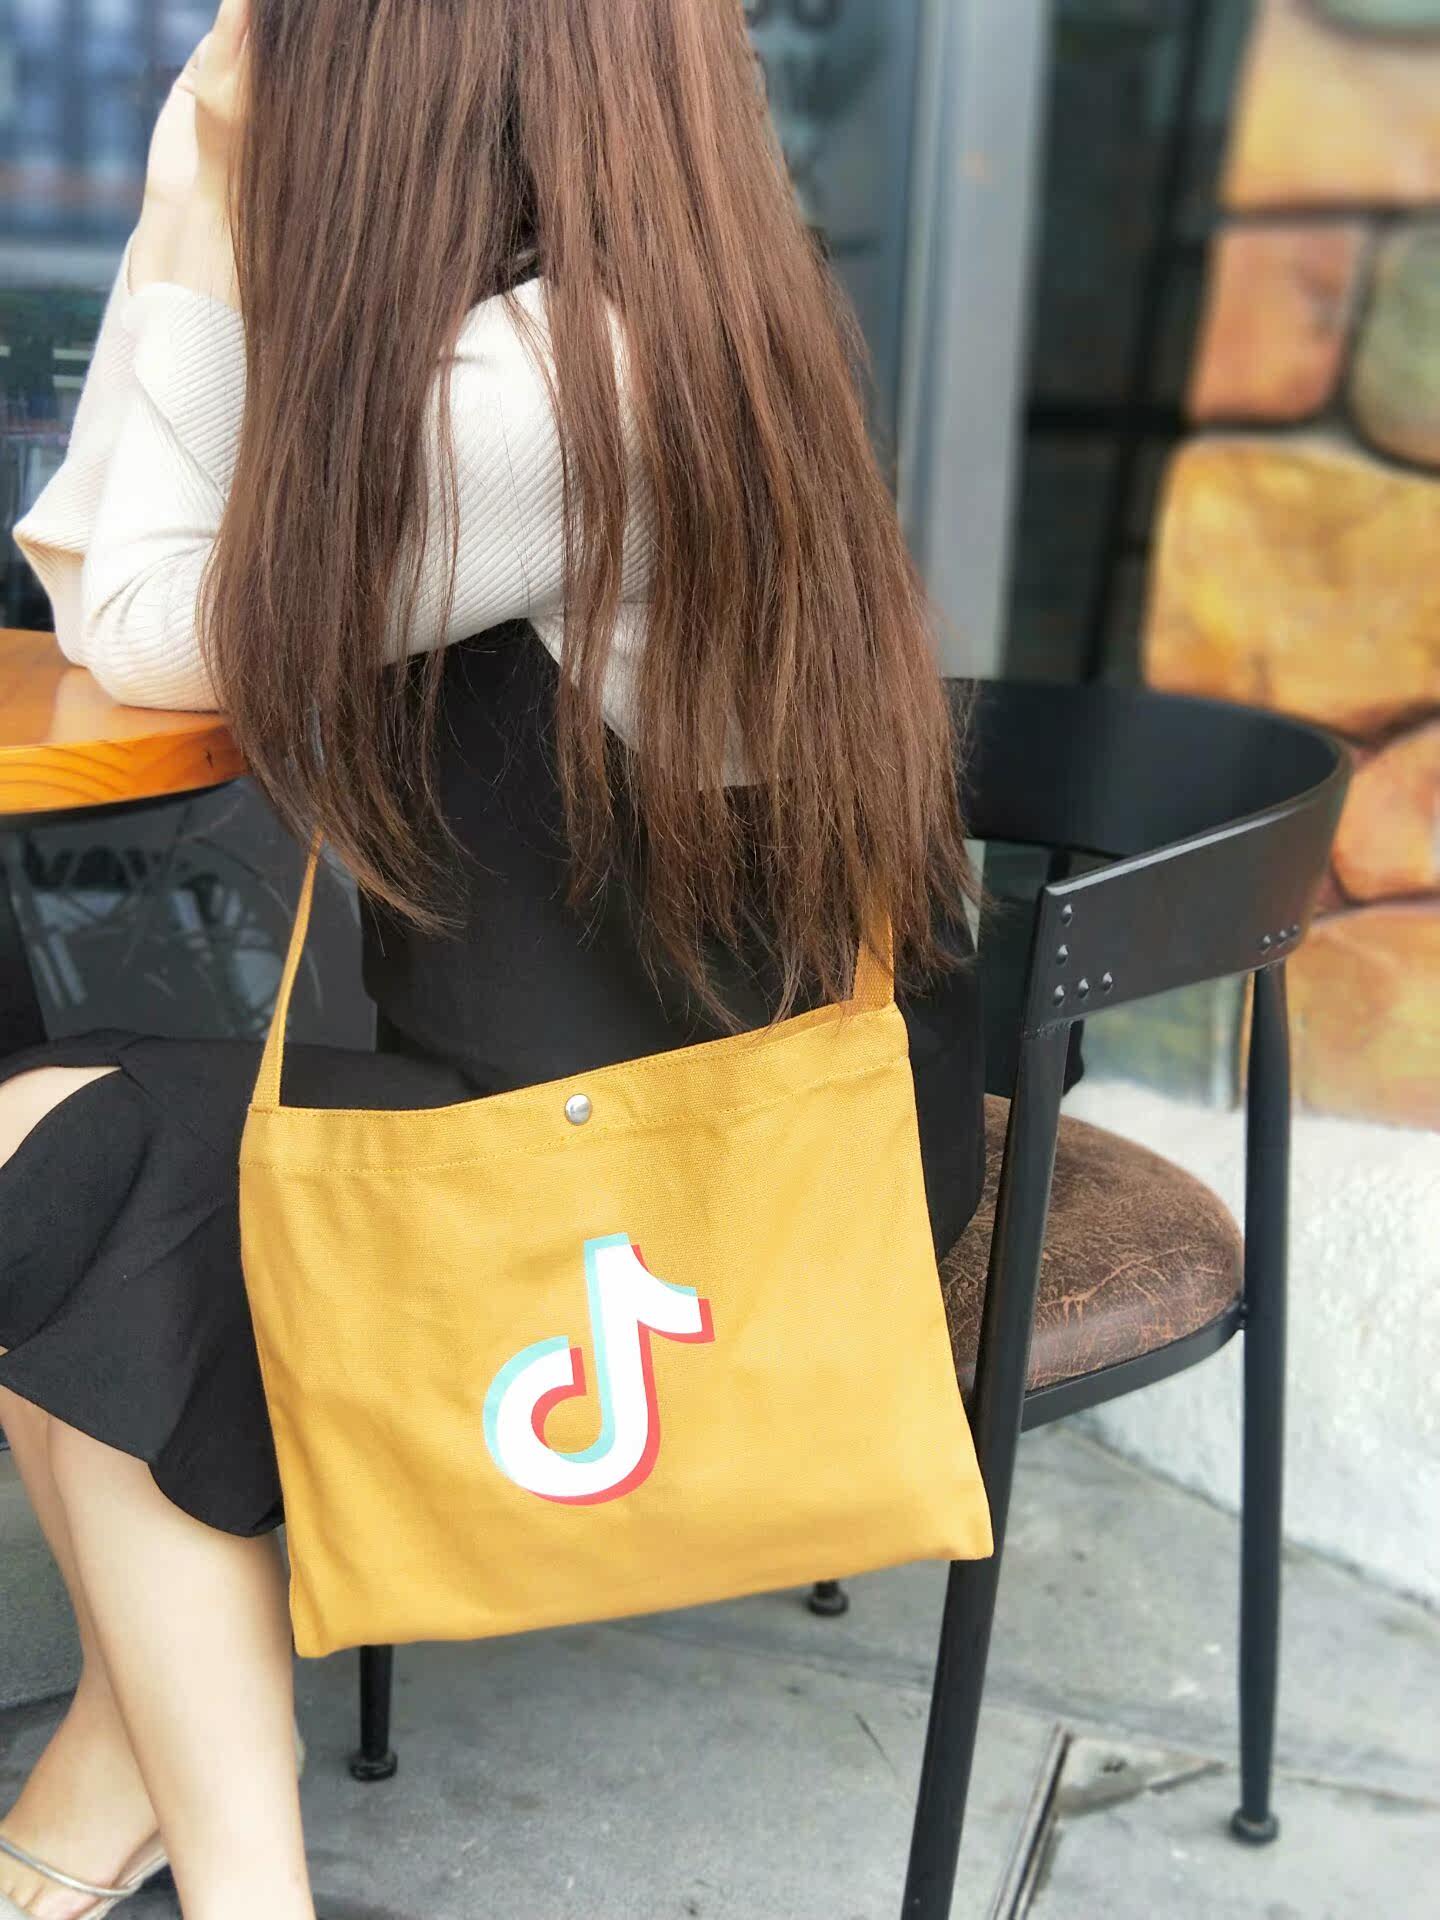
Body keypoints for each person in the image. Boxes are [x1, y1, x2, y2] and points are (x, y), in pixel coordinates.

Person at [0, 3, 985, 1915]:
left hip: (699, 1184)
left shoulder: (547, 386)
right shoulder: (664, 314)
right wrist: (203, 201)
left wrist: (197, 200)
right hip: (704, 1079)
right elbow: (113, 570)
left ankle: (234, 1870)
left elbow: (137, 614)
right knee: (81, 1177)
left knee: (73, 1176)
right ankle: (123, 1788)